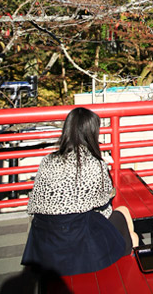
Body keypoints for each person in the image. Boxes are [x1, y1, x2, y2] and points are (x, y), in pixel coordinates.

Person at [21, 107, 139, 276]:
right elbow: (103, 203)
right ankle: (131, 269)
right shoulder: (95, 163)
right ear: (92, 132)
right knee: (127, 223)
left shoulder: (47, 160)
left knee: (123, 224)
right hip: (78, 238)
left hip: (44, 237)